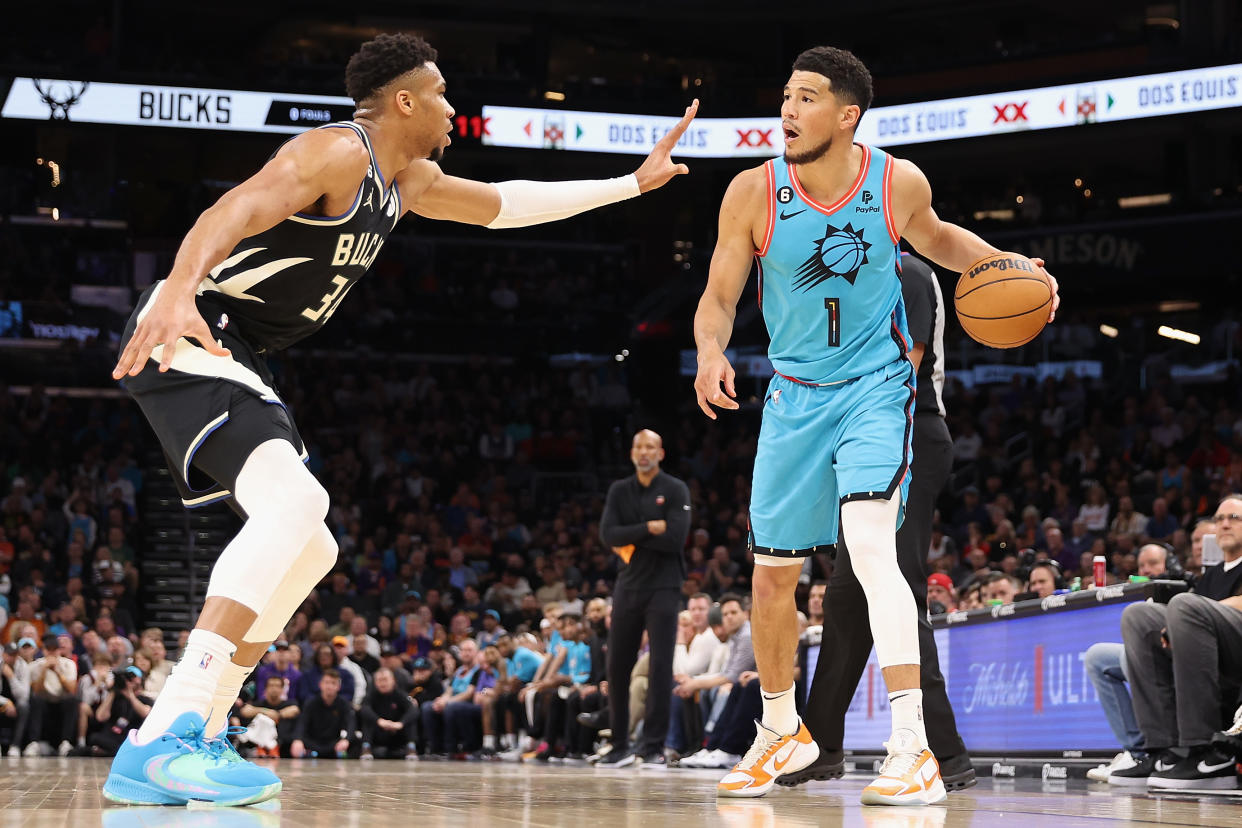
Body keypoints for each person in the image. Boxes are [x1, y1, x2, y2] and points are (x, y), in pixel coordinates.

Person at [102, 31, 698, 807]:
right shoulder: (338, 153)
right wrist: (180, 286)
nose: (455, 108)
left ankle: (205, 725)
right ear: (406, 100)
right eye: (444, 94)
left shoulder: (406, 180)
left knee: (311, 545)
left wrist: (631, 185)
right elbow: (237, 205)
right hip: (193, 327)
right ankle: (166, 733)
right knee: (298, 505)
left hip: (237, 348)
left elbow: (506, 205)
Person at [692, 46, 1058, 803]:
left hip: (873, 389)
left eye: (806, 98)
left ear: (847, 114)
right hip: (793, 396)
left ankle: (911, 745)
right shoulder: (752, 192)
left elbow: (945, 240)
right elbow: (721, 292)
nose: (787, 110)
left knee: (866, 542)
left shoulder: (896, 183)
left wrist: (1014, 264)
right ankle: (780, 730)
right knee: (771, 577)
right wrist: (707, 351)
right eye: (786, 95)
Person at [776, 254, 975, 793]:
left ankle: (943, 752)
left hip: (906, 431)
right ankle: (820, 743)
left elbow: (902, 364)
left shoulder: (905, 272)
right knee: (845, 595)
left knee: (896, 585)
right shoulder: (859, 275)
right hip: (869, 438)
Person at [1110, 495, 1242, 789]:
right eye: (1219, 519)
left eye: (1233, 518)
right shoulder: (1212, 574)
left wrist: (1192, 613)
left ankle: (1209, 750)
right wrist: (1185, 617)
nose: (1224, 524)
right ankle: (1166, 751)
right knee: (1138, 615)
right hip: (1208, 642)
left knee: (1184, 605)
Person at [597, 429, 692, 766]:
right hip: (628, 585)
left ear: (661, 453)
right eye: (639, 446)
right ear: (632, 453)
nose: (644, 452)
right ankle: (618, 744)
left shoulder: (675, 488)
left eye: (650, 446)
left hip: (665, 586)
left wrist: (634, 535)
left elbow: (676, 537)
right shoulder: (620, 490)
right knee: (617, 666)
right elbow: (608, 535)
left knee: (660, 666)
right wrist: (650, 527)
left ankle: (651, 747)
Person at [291, 670, 355, 759]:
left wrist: (346, 740)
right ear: (320, 684)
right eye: (327, 683)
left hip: (335, 743)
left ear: (338, 687)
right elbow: (302, 723)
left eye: (333, 683)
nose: (330, 686)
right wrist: (297, 740)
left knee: (355, 742)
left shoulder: (344, 704)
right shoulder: (311, 703)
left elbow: (351, 724)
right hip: (313, 742)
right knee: (294, 744)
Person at [358, 667, 418, 760]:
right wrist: (379, 721)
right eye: (379, 680)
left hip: (396, 731)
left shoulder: (400, 694)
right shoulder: (371, 695)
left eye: (385, 680)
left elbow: (413, 710)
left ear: (393, 681)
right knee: (367, 718)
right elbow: (364, 709)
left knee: (410, 719)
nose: (382, 683)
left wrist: (400, 723)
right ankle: (366, 748)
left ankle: (411, 747)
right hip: (378, 731)